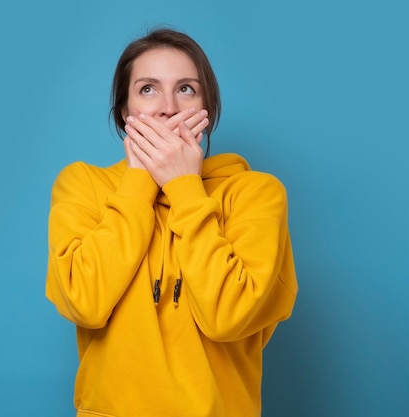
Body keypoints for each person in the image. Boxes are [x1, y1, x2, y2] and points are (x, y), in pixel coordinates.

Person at [46, 28, 298, 417]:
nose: (167, 107)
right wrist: (141, 181)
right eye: (148, 89)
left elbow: (228, 317)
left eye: (186, 89)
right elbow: (85, 303)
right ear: (124, 112)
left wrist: (184, 188)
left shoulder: (254, 193)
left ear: (207, 109)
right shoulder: (83, 185)